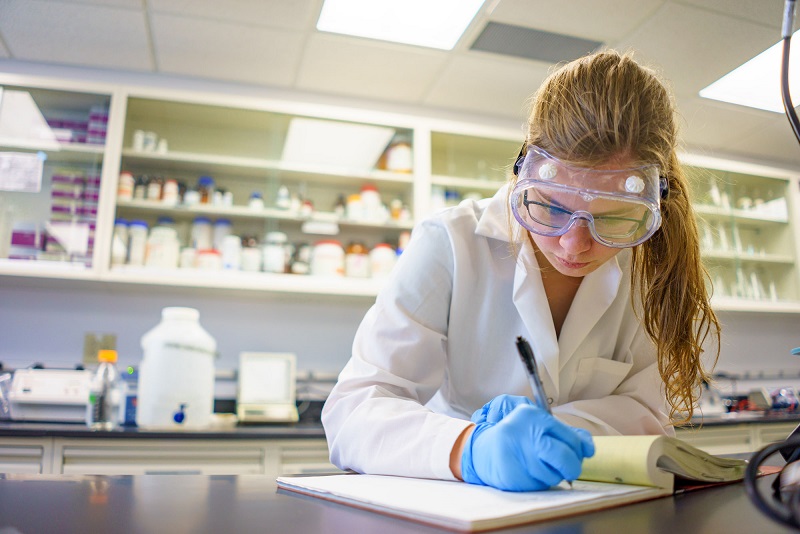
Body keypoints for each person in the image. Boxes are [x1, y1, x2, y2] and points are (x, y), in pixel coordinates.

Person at [321, 50, 721, 492]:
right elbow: (355, 409)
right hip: (461, 500)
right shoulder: (451, 244)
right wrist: (471, 448)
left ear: (652, 205)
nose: (574, 245)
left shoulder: (647, 267)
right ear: (522, 173)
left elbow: (645, 413)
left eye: (612, 219)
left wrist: (555, 428)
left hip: (593, 503)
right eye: (550, 206)